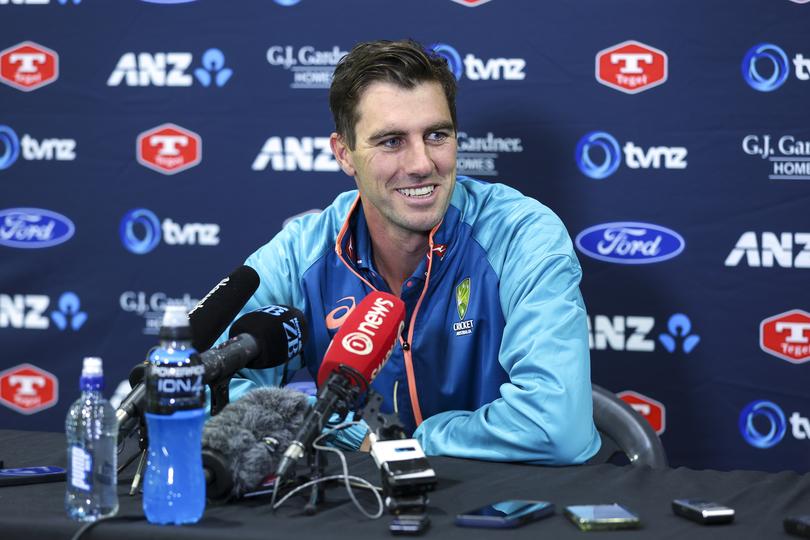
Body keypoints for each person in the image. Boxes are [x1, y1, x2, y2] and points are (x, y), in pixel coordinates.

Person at [225, 39, 600, 464]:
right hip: (362, 509)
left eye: (437, 135)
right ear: (344, 154)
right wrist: (349, 437)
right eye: (391, 141)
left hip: (503, 506)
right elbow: (217, 389)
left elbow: (555, 428)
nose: (421, 163)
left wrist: (403, 444)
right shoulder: (302, 252)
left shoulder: (522, 236)